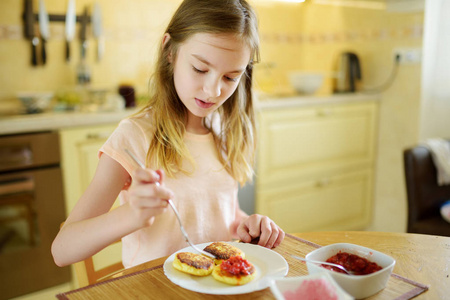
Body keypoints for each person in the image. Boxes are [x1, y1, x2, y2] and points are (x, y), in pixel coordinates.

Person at [52, 0, 285, 269]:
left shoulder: (224, 130)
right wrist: (131, 215)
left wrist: (245, 225)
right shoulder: (135, 136)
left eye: (230, 77)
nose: (212, 91)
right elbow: (62, 250)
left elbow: (217, 213)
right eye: (200, 69)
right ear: (169, 51)